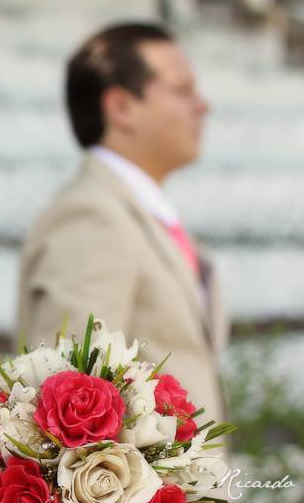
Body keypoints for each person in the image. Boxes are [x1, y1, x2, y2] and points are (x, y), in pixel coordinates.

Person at [17, 23, 230, 424]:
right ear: (121, 107)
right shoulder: (91, 217)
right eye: (183, 91)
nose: (202, 106)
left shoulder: (143, 211)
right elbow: (65, 399)